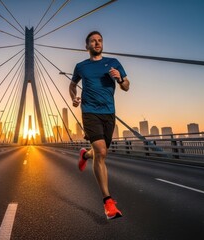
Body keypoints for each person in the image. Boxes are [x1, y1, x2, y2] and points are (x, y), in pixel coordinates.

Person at [69, 31, 130, 220]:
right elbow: (72, 85)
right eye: (93, 41)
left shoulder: (113, 63)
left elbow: (127, 86)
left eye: (100, 40)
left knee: (99, 152)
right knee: (102, 152)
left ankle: (85, 154)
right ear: (86, 46)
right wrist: (74, 98)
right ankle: (108, 202)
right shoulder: (81, 66)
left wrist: (120, 78)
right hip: (90, 112)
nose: (97, 43)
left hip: (109, 113)